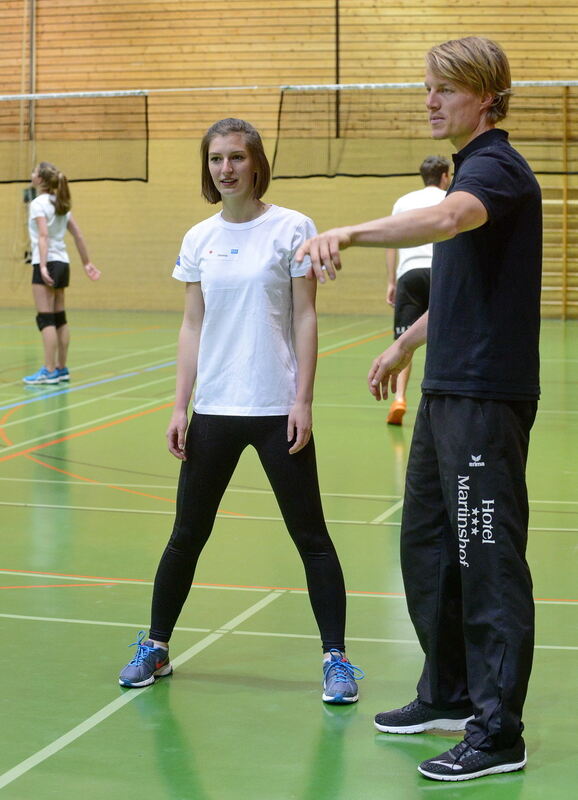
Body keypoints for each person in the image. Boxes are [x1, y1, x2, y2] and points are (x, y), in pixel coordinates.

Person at [296, 37, 541, 781]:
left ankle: (498, 733)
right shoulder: (469, 171)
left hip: (484, 396)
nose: (430, 101)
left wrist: (349, 232)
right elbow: (463, 288)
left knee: (485, 558)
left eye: (445, 89)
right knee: (430, 548)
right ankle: (449, 693)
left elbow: (446, 222)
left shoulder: (494, 169)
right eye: (427, 88)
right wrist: (405, 345)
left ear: (486, 97)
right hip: (445, 389)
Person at [118, 118, 364, 704]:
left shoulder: (292, 228)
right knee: (186, 535)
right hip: (215, 409)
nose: (225, 168)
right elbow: (192, 325)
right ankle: (156, 645)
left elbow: (305, 315)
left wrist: (303, 399)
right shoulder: (198, 238)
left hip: (277, 407)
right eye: (215, 159)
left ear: (256, 163)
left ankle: (336, 659)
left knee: (312, 537)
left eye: (235, 157)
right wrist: (179, 405)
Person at [384, 156, 450, 425]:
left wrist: (391, 281)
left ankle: (399, 398)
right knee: (444, 338)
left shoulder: (403, 201)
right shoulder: (449, 198)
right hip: (440, 272)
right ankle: (441, 401)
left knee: (405, 340)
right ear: (445, 176)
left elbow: (390, 242)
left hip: (409, 274)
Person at [23, 161, 101, 385]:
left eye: (35, 171)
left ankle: (49, 371)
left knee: (45, 318)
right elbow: (78, 235)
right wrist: (87, 262)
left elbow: (43, 236)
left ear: (41, 179)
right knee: (59, 318)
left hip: (46, 262)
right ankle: (61, 368)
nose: (32, 174)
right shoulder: (60, 203)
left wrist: (43, 266)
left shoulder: (38, 203)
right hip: (63, 263)